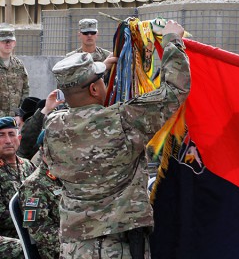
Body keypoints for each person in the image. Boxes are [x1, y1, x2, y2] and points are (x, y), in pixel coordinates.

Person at [43, 20, 190, 258]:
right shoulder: (123, 118)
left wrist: (99, 67)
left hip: (74, 246)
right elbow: (174, 91)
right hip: (119, 244)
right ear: (93, 89)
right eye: (101, 79)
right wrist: (173, 40)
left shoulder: (52, 125)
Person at [19, 129, 62, 259]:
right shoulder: (33, 185)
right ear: (42, 150)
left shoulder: (69, 176)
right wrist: (73, 243)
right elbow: (37, 229)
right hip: (59, 251)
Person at [0, 116, 36, 258]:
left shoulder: (28, 165)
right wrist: (34, 215)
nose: (8, 141)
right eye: (1, 135)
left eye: (11, 134)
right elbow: (4, 217)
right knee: (25, 249)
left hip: (28, 231)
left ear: (19, 138)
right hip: (5, 236)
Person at [0, 24, 30, 117]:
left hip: (14, 119)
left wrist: (20, 114)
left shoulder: (19, 65)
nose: (8, 44)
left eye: (10, 41)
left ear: (15, 43)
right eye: (4, 41)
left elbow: (25, 89)